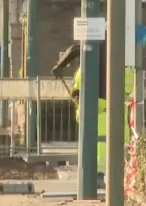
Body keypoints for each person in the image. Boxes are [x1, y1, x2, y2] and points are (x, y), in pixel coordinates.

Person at [52, 40, 134, 188]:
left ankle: (98, 175)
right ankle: (112, 175)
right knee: (114, 140)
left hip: (98, 103)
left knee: (100, 140)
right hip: (114, 103)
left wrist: (60, 66)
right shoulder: (120, 50)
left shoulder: (95, 48)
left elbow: (74, 49)